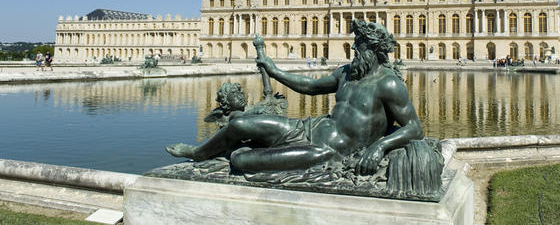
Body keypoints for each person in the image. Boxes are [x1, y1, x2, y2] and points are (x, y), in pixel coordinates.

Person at [166, 20, 424, 175]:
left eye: (360, 44)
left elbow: (415, 128)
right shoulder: (347, 73)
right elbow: (310, 87)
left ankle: (260, 151)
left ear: (374, 49)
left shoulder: (389, 83)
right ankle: (199, 153)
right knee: (239, 124)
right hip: (309, 128)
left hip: (327, 150)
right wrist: (274, 70)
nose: (354, 48)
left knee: (240, 159)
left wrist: (380, 146)